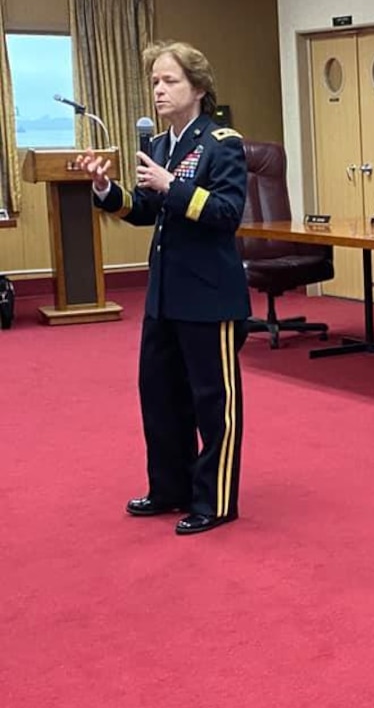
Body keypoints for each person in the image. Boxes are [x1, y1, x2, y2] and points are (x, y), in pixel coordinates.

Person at [76, 40, 249, 536]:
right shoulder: (159, 146)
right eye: (154, 81)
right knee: (160, 396)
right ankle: (169, 488)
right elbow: (149, 213)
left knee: (212, 402)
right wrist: (107, 192)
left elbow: (226, 214)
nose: (158, 89)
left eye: (169, 80)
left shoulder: (222, 143)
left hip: (210, 294)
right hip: (165, 297)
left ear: (197, 87)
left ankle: (215, 500)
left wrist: (173, 186)